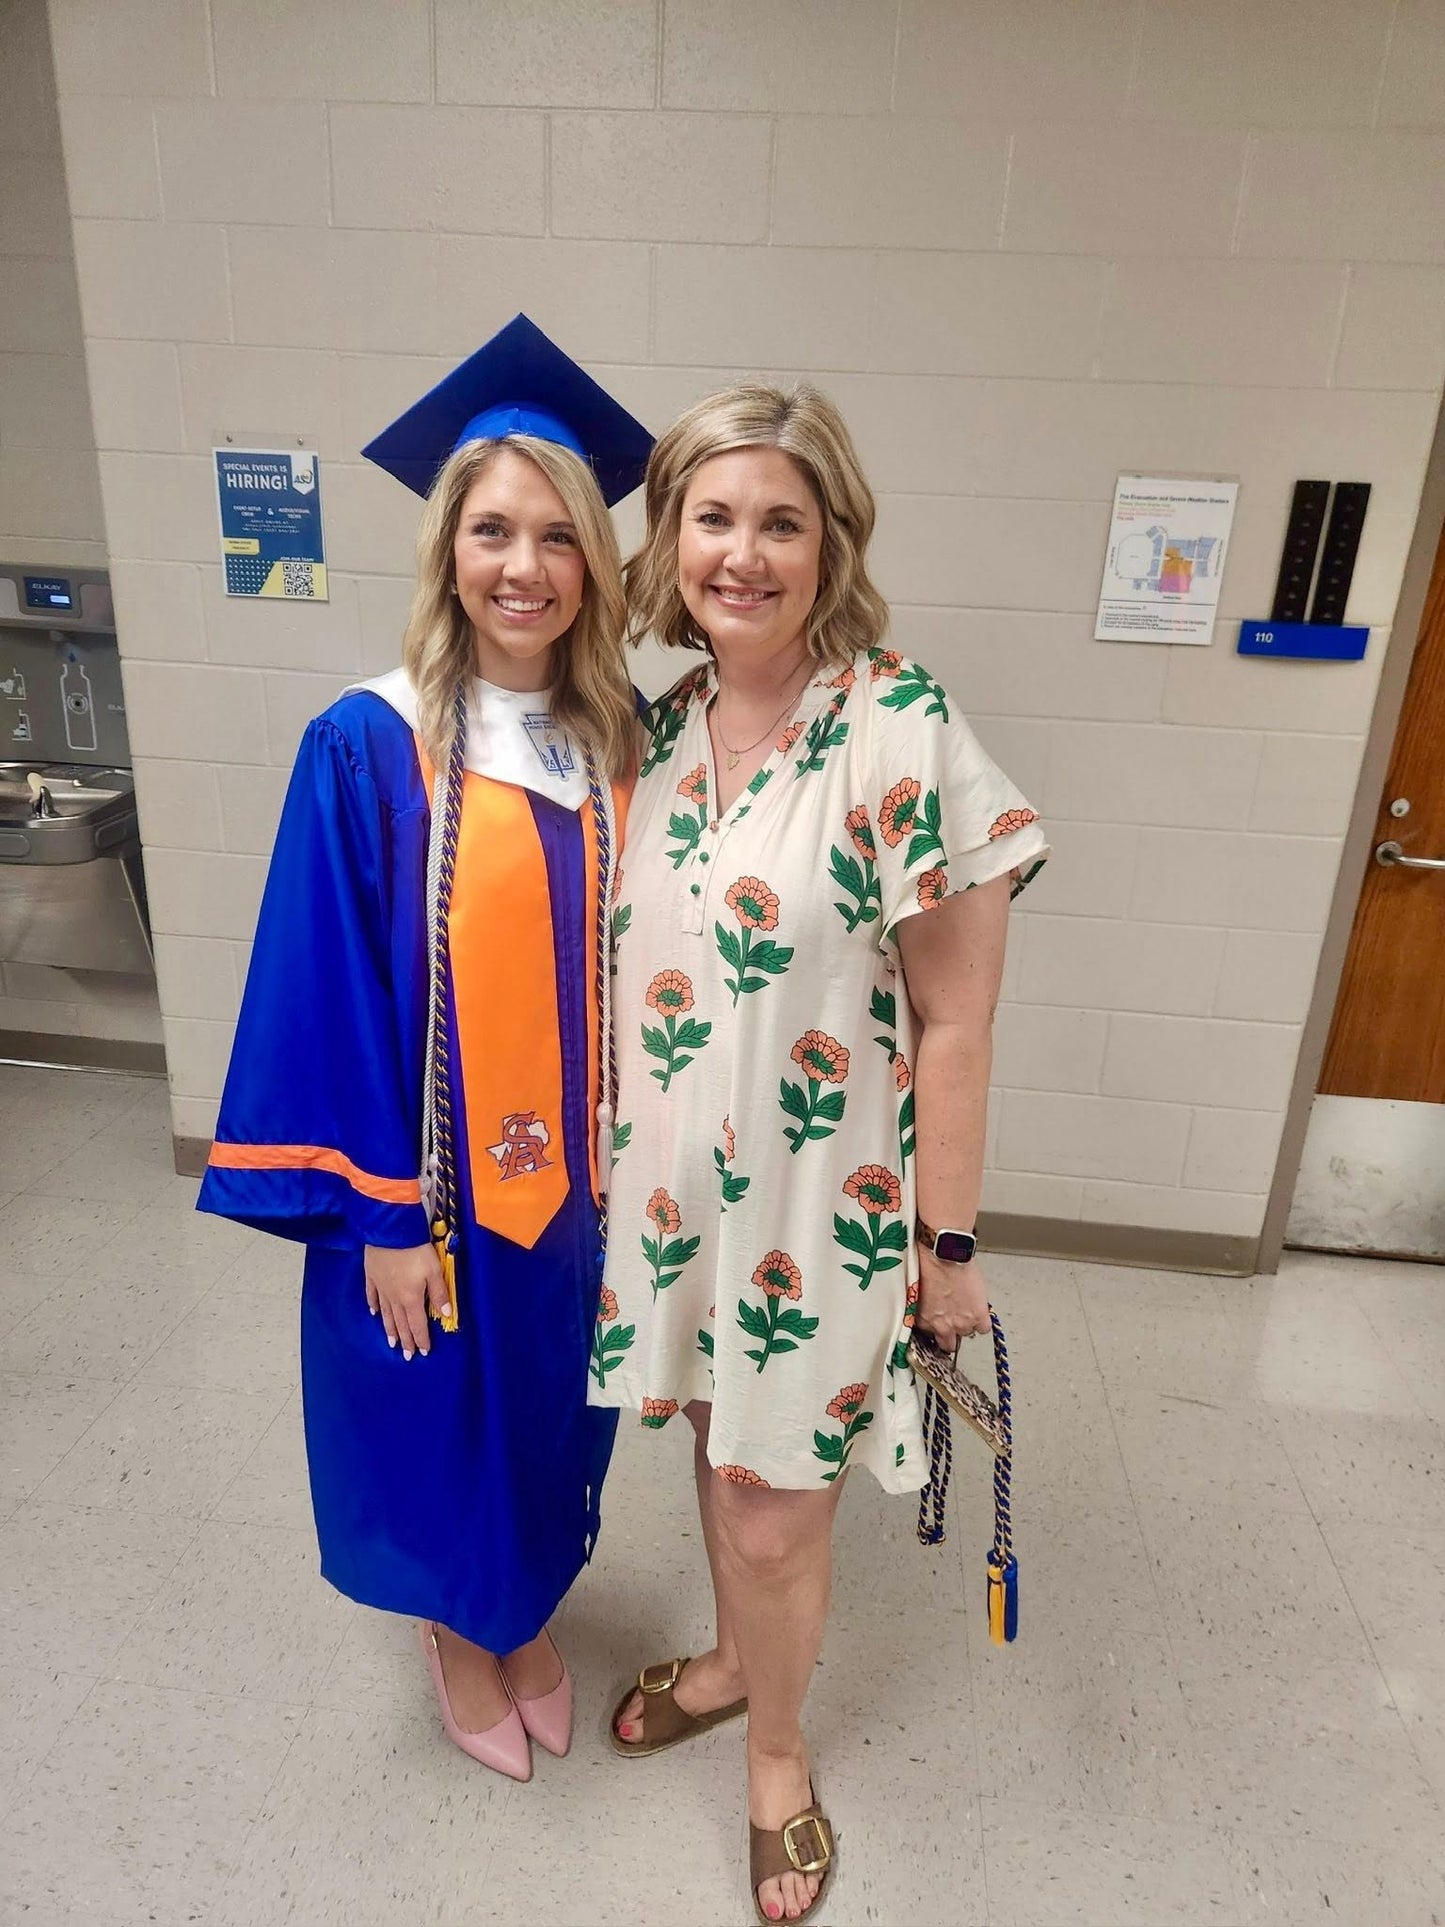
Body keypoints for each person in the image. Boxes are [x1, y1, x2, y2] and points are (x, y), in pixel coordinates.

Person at [594, 382, 1048, 1922]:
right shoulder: (649, 731)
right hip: (672, 1207)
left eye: (779, 520)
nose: (742, 552)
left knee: (775, 1503)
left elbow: (955, 1025)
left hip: (821, 1210)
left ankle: (775, 1752)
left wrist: (948, 1251)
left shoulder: (898, 728)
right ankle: (728, 1663)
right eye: (711, 517)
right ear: (669, 541)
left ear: (829, 541)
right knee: (718, 1463)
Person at [197, 315, 652, 1783]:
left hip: (574, 1195)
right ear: (446, 549)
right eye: (491, 531)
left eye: (555, 538)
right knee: (433, 1412)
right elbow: (323, 993)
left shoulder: (619, 742)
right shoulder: (372, 743)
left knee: (547, 1412)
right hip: (436, 1197)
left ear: (594, 561)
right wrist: (385, 1211)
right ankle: (459, 1631)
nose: (522, 567)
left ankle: (519, 1615)